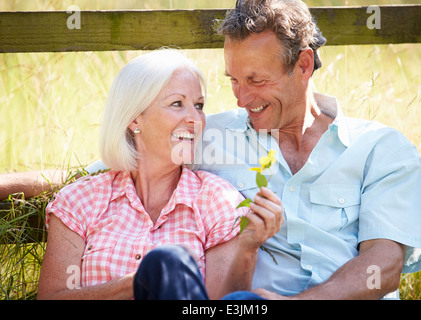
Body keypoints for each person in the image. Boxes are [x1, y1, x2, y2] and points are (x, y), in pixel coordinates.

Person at [3, 0, 421, 300]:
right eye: (232, 81)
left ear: (302, 65)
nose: (242, 99)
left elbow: (384, 265)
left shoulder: (380, 149)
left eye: (256, 80)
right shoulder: (210, 134)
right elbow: (109, 167)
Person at [36, 49, 284, 300]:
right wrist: (137, 283)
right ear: (135, 119)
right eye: (177, 103)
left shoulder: (217, 200)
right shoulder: (81, 201)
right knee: (168, 263)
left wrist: (248, 250)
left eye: (198, 106)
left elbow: (223, 301)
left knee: (244, 301)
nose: (195, 119)